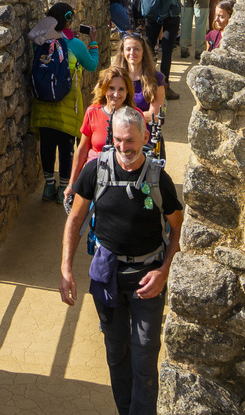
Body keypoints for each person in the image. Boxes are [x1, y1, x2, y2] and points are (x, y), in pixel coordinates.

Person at [60, 108, 182, 415]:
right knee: (116, 353)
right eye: (117, 140)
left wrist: (163, 272)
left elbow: (179, 228)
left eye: (130, 140)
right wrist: (65, 270)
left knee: (144, 358)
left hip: (146, 279)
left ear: (144, 137)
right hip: (108, 277)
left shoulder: (158, 179)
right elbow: (74, 220)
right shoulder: (96, 171)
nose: (124, 148)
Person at [30, 4, 99, 203]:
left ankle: (48, 187)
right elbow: (92, 65)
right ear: (68, 20)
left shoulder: (40, 41)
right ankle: (63, 189)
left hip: (42, 103)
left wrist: (63, 31)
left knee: (47, 145)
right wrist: (93, 43)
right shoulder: (76, 45)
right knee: (66, 147)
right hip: (67, 103)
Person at [69, 61, 135, 190]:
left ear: (127, 91)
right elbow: (82, 151)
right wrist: (72, 184)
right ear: (104, 89)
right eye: (111, 88)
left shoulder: (135, 116)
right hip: (95, 176)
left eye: (121, 89)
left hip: (124, 180)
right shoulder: (92, 112)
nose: (116, 94)